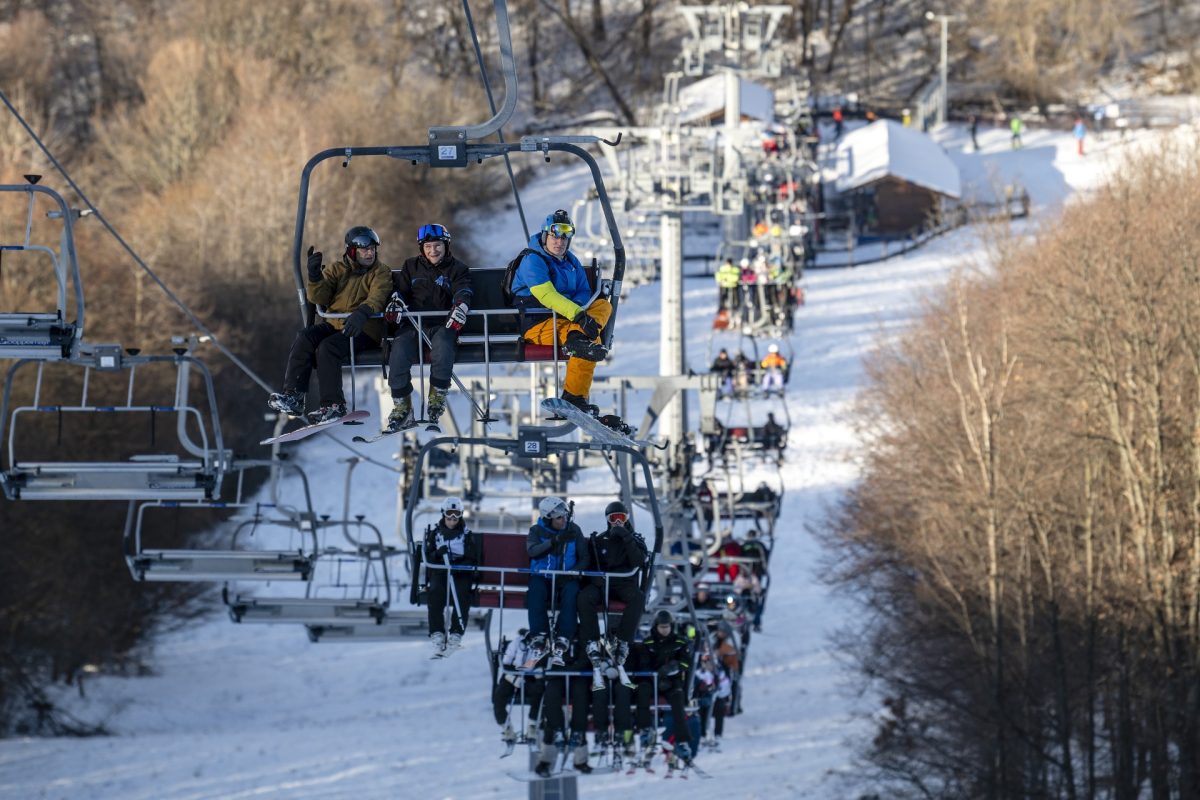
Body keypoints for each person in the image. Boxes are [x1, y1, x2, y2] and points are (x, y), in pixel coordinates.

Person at [511, 209, 623, 429]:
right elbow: (546, 295)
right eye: (555, 236)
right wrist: (579, 316)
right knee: (590, 343)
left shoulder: (571, 262)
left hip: (570, 322)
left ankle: (576, 391)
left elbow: (584, 293)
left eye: (565, 237)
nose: (559, 242)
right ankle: (574, 395)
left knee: (603, 305)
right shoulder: (532, 260)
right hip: (537, 323)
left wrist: (581, 314)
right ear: (545, 236)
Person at [267, 226, 392, 422]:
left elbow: (378, 295)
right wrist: (315, 277)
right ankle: (294, 396)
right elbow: (319, 296)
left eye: (372, 249)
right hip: (335, 324)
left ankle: (333, 404)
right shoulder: (337, 270)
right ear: (352, 251)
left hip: (364, 329)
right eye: (364, 250)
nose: (370, 253)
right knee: (305, 337)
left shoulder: (380, 272)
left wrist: (362, 313)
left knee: (328, 347)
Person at [384, 223, 474, 431]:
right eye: (428, 247)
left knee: (443, 345)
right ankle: (402, 405)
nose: (433, 251)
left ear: (446, 245)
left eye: (437, 246)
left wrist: (461, 306)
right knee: (399, 351)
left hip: (443, 324)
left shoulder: (457, 268)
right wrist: (396, 302)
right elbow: (401, 290)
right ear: (421, 249)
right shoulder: (411, 266)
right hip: (414, 324)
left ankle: (437, 397)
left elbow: (464, 290)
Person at [578, 500, 648, 691]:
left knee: (638, 598)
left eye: (621, 518)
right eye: (613, 518)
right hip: (603, 584)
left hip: (624, 583)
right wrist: (594, 580)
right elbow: (590, 564)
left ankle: (623, 640)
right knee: (585, 597)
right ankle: (592, 641)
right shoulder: (599, 541)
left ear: (626, 520)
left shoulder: (634, 540)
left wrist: (626, 537)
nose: (617, 522)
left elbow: (639, 561)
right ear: (607, 520)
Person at [526, 496, 590, 667]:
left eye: (565, 516)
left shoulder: (574, 530)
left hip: (566, 578)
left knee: (572, 593)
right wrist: (555, 541)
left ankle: (564, 637)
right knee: (535, 590)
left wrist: (573, 573)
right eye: (559, 518)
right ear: (548, 518)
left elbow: (584, 557)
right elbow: (533, 551)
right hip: (543, 576)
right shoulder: (536, 531)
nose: (564, 520)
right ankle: (539, 635)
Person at [635, 610, 693, 764]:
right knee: (643, 691)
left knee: (677, 698)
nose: (664, 630)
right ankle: (645, 730)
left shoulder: (679, 643)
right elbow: (643, 664)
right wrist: (657, 675)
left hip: (672, 682)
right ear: (656, 626)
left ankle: (681, 741)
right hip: (652, 680)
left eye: (667, 627)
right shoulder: (648, 643)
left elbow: (686, 663)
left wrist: (673, 668)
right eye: (661, 627)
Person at [424, 496, 478, 655]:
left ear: (461, 515)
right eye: (449, 515)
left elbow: (473, 556)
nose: (452, 519)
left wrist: (460, 565)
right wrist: (437, 554)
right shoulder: (435, 534)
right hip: (440, 569)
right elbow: (427, 555)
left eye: (456, 515)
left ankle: (456, 633)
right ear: (443, 514)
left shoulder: (466, 535)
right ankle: (437, 633)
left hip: (460, 571)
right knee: (435, 592)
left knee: (462, 595)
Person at [494, 628, 546, 743]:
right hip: (511, 675)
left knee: (539, 693)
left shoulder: (542, 649)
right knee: (499, 696)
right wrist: (514, 677)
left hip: (530, 677)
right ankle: (506, 727)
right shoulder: (516, 643)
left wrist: (537, 675)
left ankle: (532, 725)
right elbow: (505, 663)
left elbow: (541, 665)